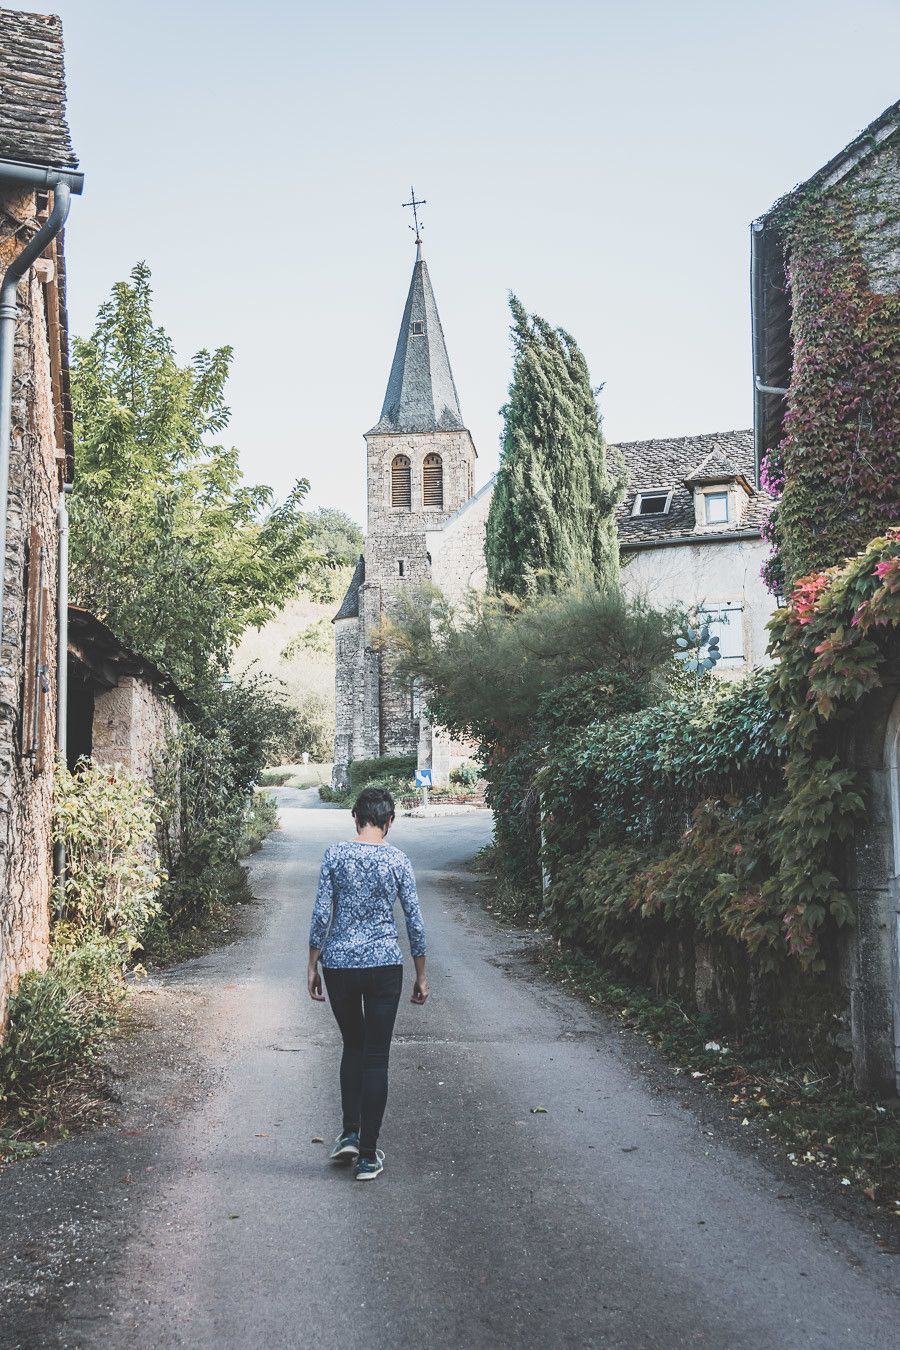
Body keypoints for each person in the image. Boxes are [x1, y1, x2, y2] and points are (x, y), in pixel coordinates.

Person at [307, 786, 428, 1181]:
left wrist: (312, 965)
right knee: (376, 1055)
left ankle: (349, 1132)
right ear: (389, 821)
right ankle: (368, 1156)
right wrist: (421, 974)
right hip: (383, 966)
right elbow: (414, 920)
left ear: (355, 817)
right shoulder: (397, 860)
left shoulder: (335, 855)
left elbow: (322, 913)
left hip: (339, 966)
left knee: (353, 1046)